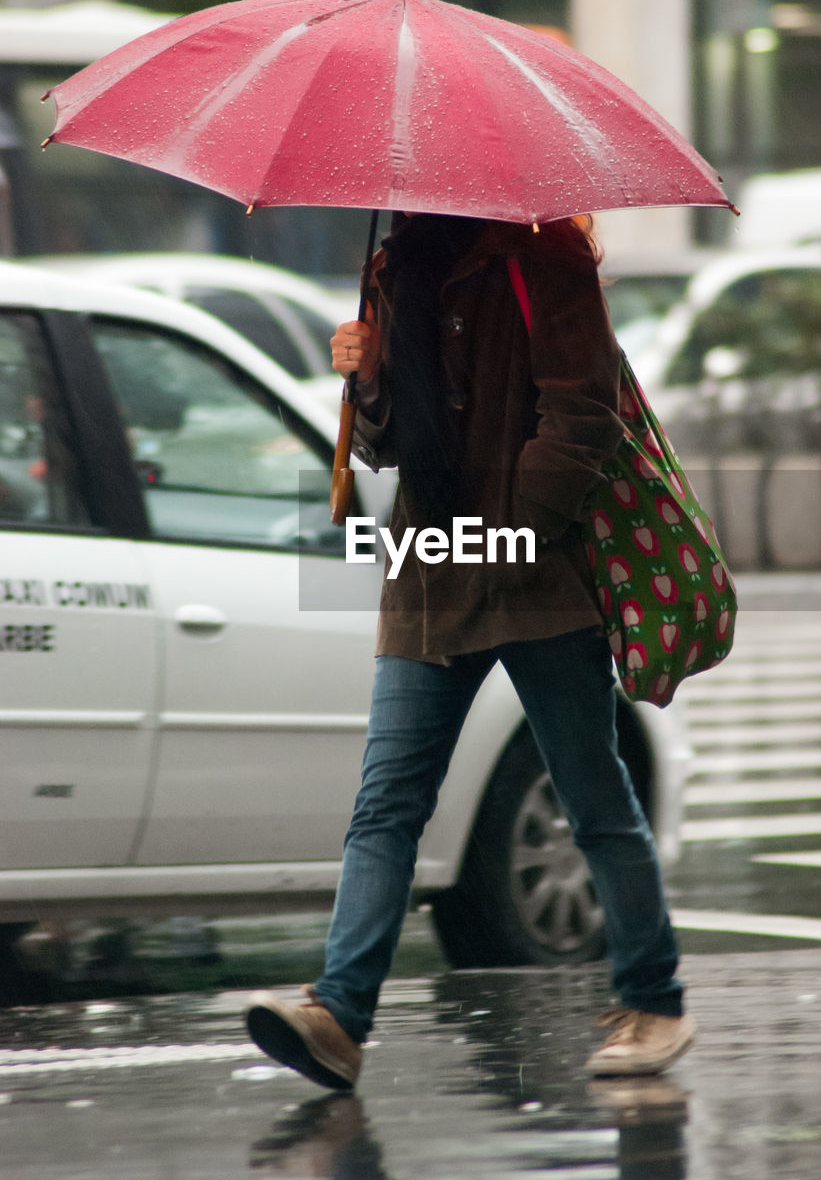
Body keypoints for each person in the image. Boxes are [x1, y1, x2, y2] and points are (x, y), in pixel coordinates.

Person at [245, 211, 695, 1086]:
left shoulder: (546, 260)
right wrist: (365, 378)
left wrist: (512, 530)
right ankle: (338, 1014)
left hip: (535, 576)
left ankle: (654, 1000)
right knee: (386, 803)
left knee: (591, 796)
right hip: (428, 577)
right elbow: (383, 448)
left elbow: (584, 419)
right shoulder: (392, 265)